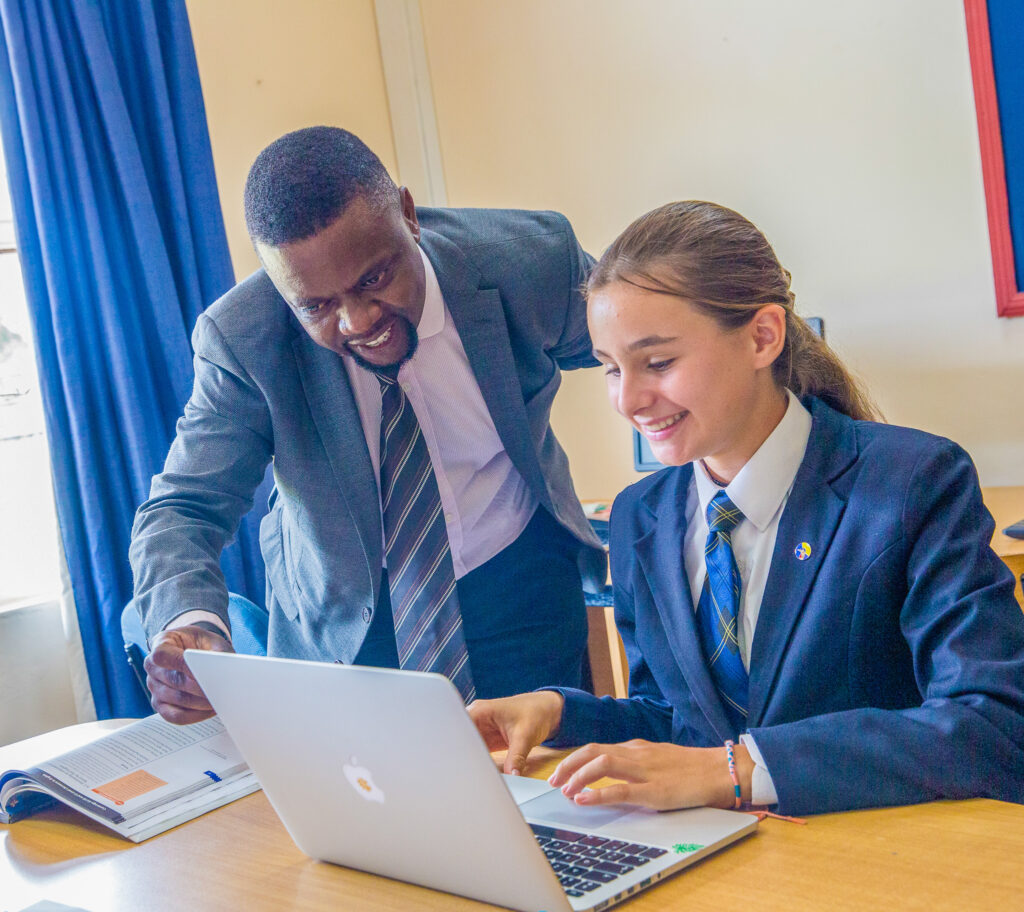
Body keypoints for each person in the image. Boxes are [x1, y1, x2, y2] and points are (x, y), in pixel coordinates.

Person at [469, 200, 1024, 816]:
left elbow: (991, 723)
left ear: (762, 336)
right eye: (608, 368)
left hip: (875, 855)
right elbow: (682, 720)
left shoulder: (913, 482)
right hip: (728, 865)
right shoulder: (640, 518)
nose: (628, 400)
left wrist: (735, 771)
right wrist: (561, 711)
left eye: (657, 363)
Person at [130, 126, 606, 724]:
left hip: (522, 588)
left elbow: (645, 339)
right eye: (317, 306)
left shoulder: (525, 261)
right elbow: (184, 507)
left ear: (408, 216)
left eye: (374, 280)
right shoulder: (245, 339)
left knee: (540, 803)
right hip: (347, 628)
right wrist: (191, 622)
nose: (356, 321)